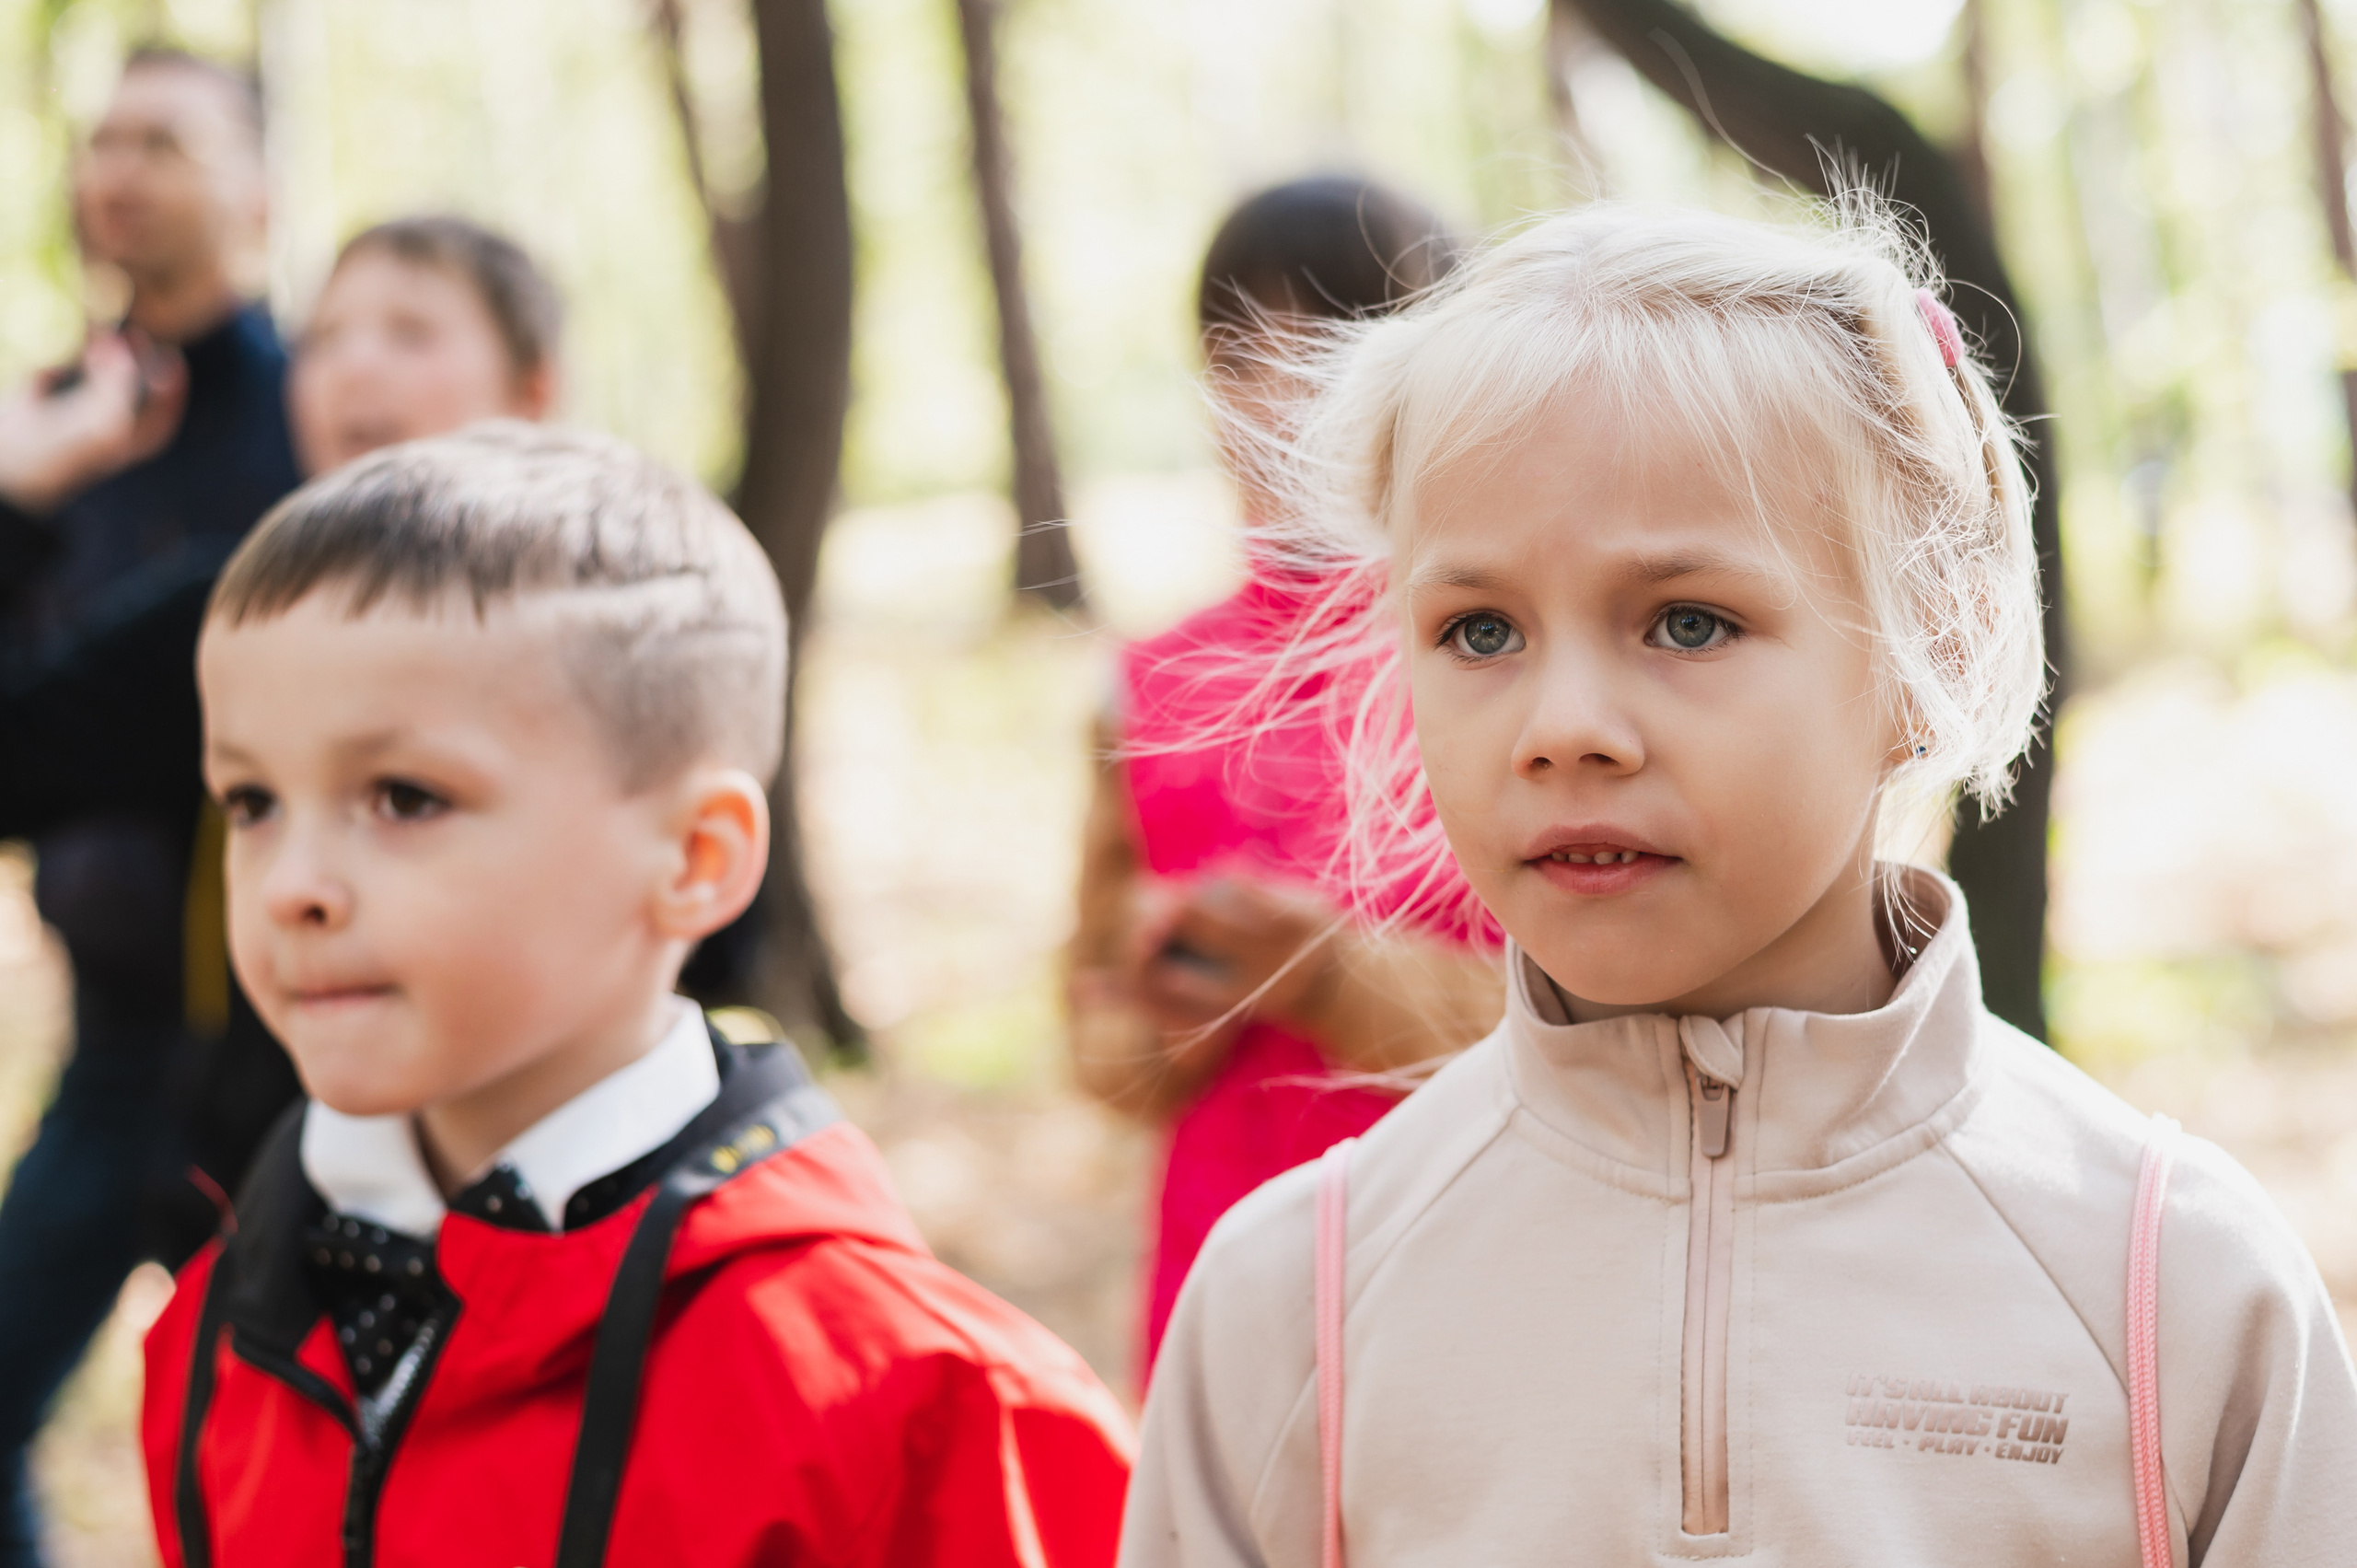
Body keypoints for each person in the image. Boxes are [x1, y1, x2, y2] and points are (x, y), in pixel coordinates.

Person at [1120, 204, 2357, 1564]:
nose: (1565, 722)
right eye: (1480, 629)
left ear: (1925, 643)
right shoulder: (1292, 1301)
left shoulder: (2168, 1281)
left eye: (1687, 620)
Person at [141, 423, 1134, 1565]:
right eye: (252, 801)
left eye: (403, 796)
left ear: (695, 857)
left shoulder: (927, 1408)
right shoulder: (217, 1332)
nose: (290, 886)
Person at [1065, 177, 1504, 1379]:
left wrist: (1333, 975)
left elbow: (1613, 1017)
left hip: (1481, 1280)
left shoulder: (1505, 654)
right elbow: (1096, 1039)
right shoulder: (1147, 685)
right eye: (1236, 349)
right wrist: (1170, 998)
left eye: (1322, 345)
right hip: (1230, 1288)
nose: (1271, 393)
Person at [0, 51, 297, 1567]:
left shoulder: (310, 419)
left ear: (254, 191)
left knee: (272, 1458)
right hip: (114, 1042)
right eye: (102, 138)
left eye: (164, 141)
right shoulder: (51, 425)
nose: (117, 167)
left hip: (288, 1057)